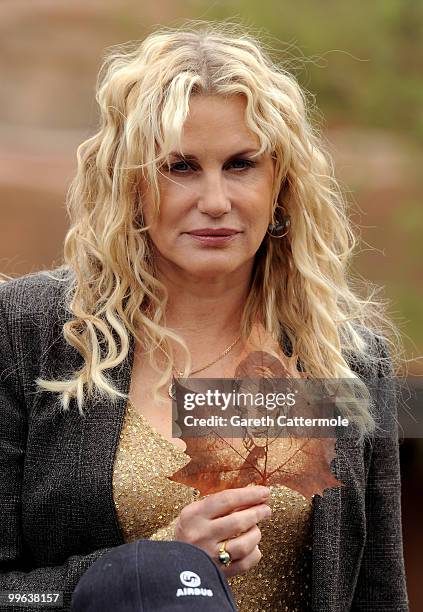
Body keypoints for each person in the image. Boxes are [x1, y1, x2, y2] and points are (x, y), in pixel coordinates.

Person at [0, 20, 409, 612]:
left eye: (241, 164)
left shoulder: (345, 361)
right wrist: (156, 564)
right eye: (181, 167)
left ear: (281, 185)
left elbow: (377, 593)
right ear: (129, 184)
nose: (215, 201)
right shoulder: (33, 332)